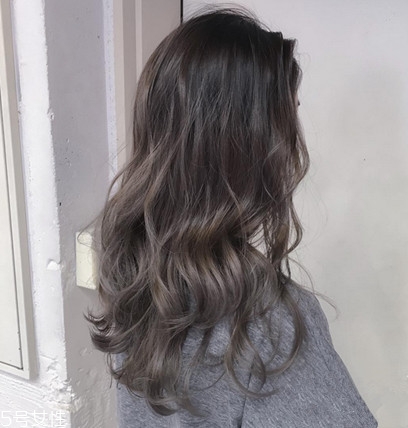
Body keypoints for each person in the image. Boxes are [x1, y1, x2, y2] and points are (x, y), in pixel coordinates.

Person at [86, 7, 378, 427]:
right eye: (288, 116)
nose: (295, 137)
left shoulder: (130, 268)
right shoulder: (269, 324)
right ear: (252, 145)